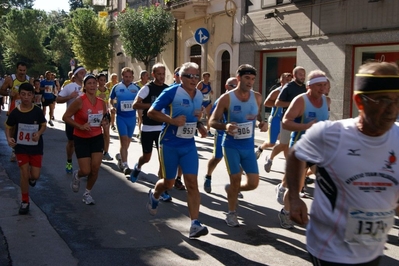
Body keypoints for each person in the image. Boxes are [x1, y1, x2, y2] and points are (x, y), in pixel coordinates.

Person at [287, 61, 399, 265]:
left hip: (372, 250)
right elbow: (296, 154)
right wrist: (294, 197)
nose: (392, 110)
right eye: (382, 100)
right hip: (330, 250)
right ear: (360, 101)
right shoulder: (330, 134)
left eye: (397, 100)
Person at [147, 62, 209, 238]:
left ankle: (194, 224)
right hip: (169, 143)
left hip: (188, 144)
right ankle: (155, 195)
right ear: (181, 77)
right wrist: (172, 120)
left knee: (192, 183)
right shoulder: (171, 92)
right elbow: (152, 112)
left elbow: (194, 115)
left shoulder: (199, 95)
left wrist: (200, 125)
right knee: (169, 183)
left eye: (197, 76)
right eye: (190, 76)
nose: (194, 79)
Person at [210, 64, 268, 227]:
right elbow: (212, 121)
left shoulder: (257, 97)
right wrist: (225, 126)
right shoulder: (226, 98)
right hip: (231, 146)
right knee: (235, 179)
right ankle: (231, 213)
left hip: (248, 147)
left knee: (253, 183)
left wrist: (262, 124)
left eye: (253, 79)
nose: (250, 82)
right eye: (247, 78)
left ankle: (232, 190)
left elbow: (257, 116)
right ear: (238, 78)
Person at [277, 70, 330, 229]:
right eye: (318, 85)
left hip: (318, 149)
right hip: (300, 149)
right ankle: (285, 212)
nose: (322, 88)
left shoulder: (326, 101)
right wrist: (306, 126)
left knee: (328, 182)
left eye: (324, 85)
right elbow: (286, 122)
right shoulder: (300, 101)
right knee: (296, 187)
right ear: (309, 86)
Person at [62, 75, 107, 205]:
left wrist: (104, 123)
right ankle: (78, 175)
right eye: (89, 83)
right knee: (86, 170)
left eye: (94, 83)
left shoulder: (101, 102)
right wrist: (80, 126)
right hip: (81, 138)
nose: (92, 86)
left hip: (97, 137)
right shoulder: (79, 101)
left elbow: (103, 118)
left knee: (95, 168)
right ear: (85, 86)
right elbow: (66, 117)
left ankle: (87, 193)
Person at [131, 63, 173, 201]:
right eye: (159, 74)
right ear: (153, 75)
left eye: (163, 74)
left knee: (163, 160)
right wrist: (152, 106)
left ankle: (162, 189)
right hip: (148, 127)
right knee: (147, 157)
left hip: (163, 128)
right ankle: (138, 167)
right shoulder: (147, 88)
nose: (161, 77)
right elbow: (135, 104)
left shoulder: (168, 89)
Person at [5, 83, 47, 214]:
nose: (26, 97)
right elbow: (8, 126)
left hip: (35, 147)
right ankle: (24, 201)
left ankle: (32, 178)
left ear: (33, 96)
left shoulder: (37, 111)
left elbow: (43, 125)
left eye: (29, 94)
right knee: (23, 173)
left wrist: (39, 134)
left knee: (35, 175)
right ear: (19, 95)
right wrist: (9, 138)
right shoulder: (15, 112)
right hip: (21, 147)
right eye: (23, 94)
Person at [274, 67, 307, 202]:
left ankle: (300, 186)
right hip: (288, 122)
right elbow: (277, 103)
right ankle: (284, 184)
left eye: (304, 74)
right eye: (300, 74)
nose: (302, 76)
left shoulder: (305, 88)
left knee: (300, 160)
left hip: (301, 124)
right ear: (294, 75)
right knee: (284, 146)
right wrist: (294, 104)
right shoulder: (288, 87)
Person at [204, 77, 238, 193]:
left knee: (235, 161)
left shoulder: (241, 99)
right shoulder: (221, 100)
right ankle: (208, 176)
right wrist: (225, 126)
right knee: (217, 157)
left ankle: (234, 187)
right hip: (221, 133)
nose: (237, 88)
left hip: (236, 135)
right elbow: (212, 120)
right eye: (234, 86)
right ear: (227, 87)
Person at [255, 73, 292, 162]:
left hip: (285, 121)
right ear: (281, 81)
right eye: (287, 80)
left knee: (285, 144)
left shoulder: (291, 92)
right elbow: (266, 103)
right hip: (275, 119)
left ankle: (289, 167)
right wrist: (279, 104)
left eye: (290, 80)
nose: (289, 82)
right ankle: (260, 148)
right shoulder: (277, 91)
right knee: (271, 143)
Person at [109, 67, 140, 175]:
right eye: (126, 77)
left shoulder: (136, 88)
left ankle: (121, 157)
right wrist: (111, 106)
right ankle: (125, 165)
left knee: (127, 142)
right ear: (122, 76)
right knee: (123, 140)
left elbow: (140, 102)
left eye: (130, 77)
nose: (128, 79)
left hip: (132, 118)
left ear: (132, 77)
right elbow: (110, 99)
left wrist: (141, 117)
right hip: (121, 118)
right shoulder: (117, 87)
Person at [57, 66, 86, 174]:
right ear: (76, 75)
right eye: (81, 72)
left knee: (84, 143)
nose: (83, 74)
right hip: (72, 120)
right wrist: (70, 97)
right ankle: (69, 161)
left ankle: (84, 165)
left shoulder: (88, 86)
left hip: (85, 120)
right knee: (71, 142)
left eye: (84, 72)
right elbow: (58, 99)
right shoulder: (70, 87)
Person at [0, 62, 31, 162]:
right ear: (16, 69)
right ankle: (14, 150)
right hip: (14, 109)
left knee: (25, 128)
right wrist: (9, 92)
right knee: (12, 129)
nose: (22, 72)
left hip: (26, 109)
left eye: (24, 70)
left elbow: (32, 93)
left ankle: (23, 150)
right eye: (20, 70)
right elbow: (1, 90)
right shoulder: (10, 79)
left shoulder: (29, 79)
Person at [96, 73, 113, 161]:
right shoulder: (94, 90)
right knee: (96, 133)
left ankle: (106, 152)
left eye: (104, 80)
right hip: (96, 115)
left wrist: (112, 107)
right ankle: (96, 151)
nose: (102, 82)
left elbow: (111, 101)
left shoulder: (108, 90)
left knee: (106, 133)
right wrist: (98, 97)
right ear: (97, 81)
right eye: (101, 80)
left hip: (106, 114)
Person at [197, 72, 214, 137]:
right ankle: (197, 129)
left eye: (208, 77)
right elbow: (195, 91)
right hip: (201, 102)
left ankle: (208, 130)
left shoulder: (209, 83)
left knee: (209, 115)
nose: (207, 78)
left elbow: (209, 90)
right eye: (205, 77)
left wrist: (211, 91)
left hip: (208, 101)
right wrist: (202, 91)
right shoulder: (200, 84)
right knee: (199, 116)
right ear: (203, 77)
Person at [134, 70, 150, 141]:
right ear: (142, 76)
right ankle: (141, 133)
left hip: (146, 104)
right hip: (140, 104)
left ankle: (141, 131)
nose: (148, 77)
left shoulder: (149, 84)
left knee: (143, 119)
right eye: (146, 75)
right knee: (141, 119)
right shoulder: (136, 84)